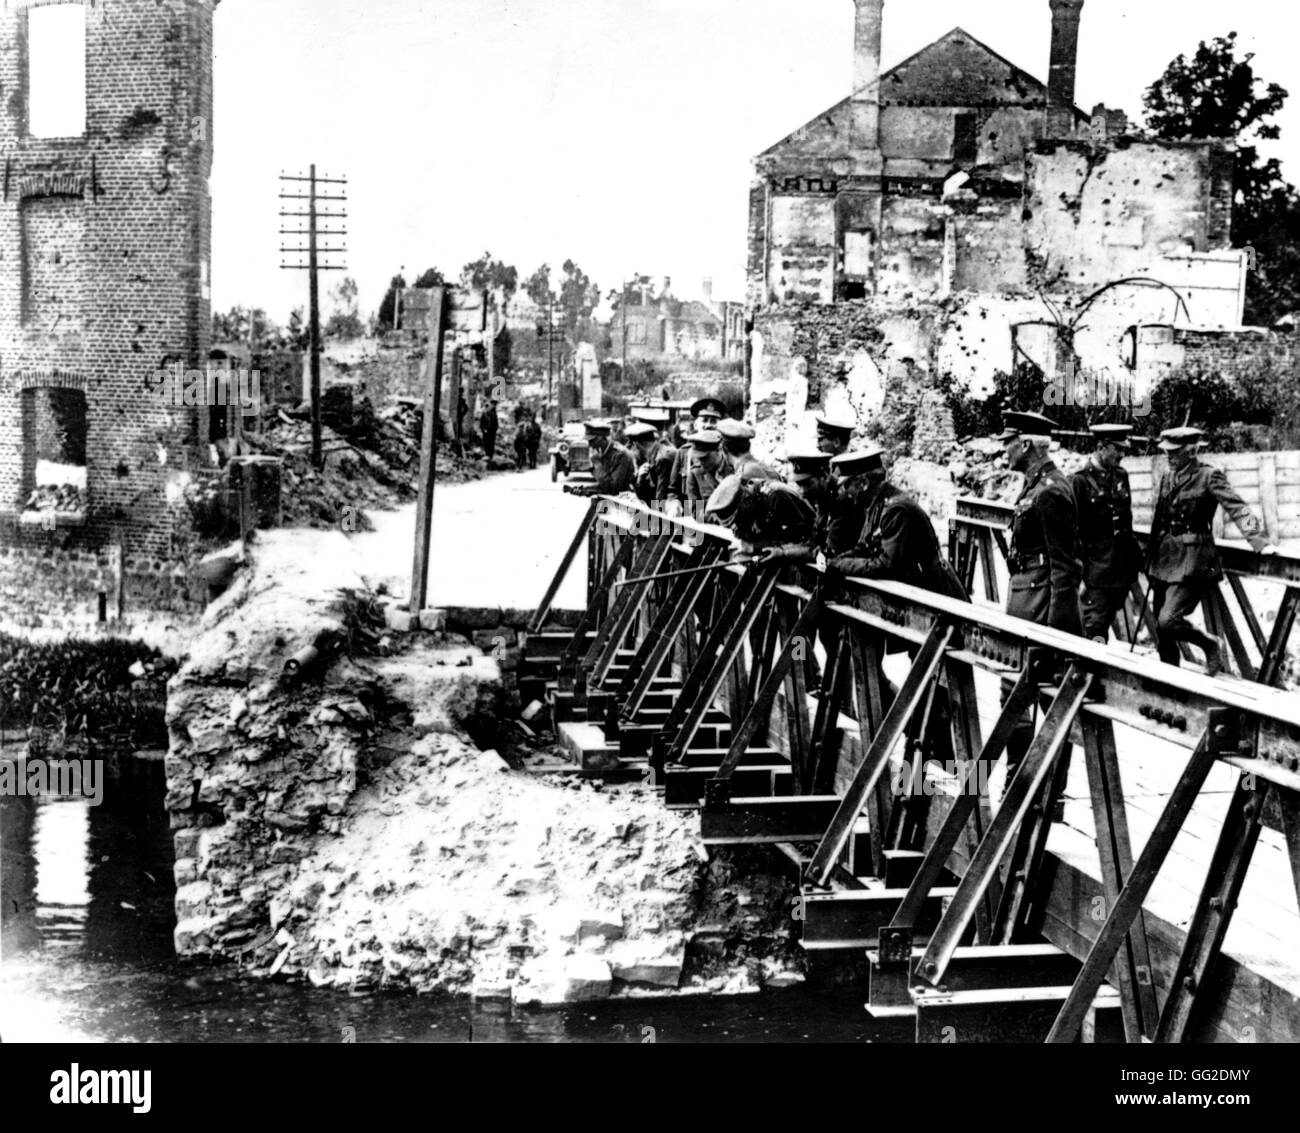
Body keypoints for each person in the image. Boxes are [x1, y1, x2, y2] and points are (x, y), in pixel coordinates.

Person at [1147, 426, 1277, 674]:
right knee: (1161, 630)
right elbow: (1159, 518)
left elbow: (1237, 507)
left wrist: (1259, 541)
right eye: (1167, 452)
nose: (1169, 457)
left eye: (1174, 452)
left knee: (1168, 619)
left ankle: (1209, 644)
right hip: (1165, 558)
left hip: (1194, 560)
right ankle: (1169, 680)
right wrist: (1150, 555)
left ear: (1191, 451)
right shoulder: (1167, 476)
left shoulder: (1209, 476)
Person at [823, 447, 969, 601]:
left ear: (863, 483)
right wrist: (835, 560)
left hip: (937, 594)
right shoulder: (877, 504)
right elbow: (863, 548)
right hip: (919, 591)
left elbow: (887, 566)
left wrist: (839, 565)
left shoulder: (897, 510)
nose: (846, 493)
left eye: (847, 486)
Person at [999, 410, 1082, 636]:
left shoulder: (1050, 490)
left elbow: (1064, 565)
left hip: (1039, 605)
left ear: (1025, 445)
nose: (1004, 449)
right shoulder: (1035, 485)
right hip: (1027, 595)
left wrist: (1057, 629)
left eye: (1008, 442)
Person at [1071, 424, 1142, 642]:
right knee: (1095, 629)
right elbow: (1073, 532)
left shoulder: (1121, 476)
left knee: (1107, 620)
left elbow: (1126, 522)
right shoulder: (1079, 481)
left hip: (1120, 571)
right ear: (1101, 447)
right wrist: (1078, 574)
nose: (1122, 455)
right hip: (1095, 573)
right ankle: (1091, 674)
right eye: (1117, 449)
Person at [667, 398, 727, 508]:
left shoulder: (727, 452)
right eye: (704, 420)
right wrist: (674, 504)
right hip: (690, 512)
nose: (708, 425)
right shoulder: (684, 453)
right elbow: (672, 490)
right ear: (695, 425)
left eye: (713, 421)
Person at [568, 419, 635, 497]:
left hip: (626, 500)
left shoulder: (619, 455)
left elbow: (614, 488)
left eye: (592, 441)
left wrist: (598, 466)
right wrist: (585, 489)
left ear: (601, 437)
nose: (590, 445)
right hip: (615, 498)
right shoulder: (605, 452)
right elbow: (605, 484)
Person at [626, 421, 677, 507]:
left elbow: (661, 496)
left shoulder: (662, 458)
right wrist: (640, 479)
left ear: (636, 444)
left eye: (632, 446)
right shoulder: (654, 454)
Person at [683, 428, 727, 508]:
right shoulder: (695, 474)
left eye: (705, 458)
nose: (701, 463)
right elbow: (697, 511)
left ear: (719, 450)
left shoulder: (735, 470)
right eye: (698, 458)